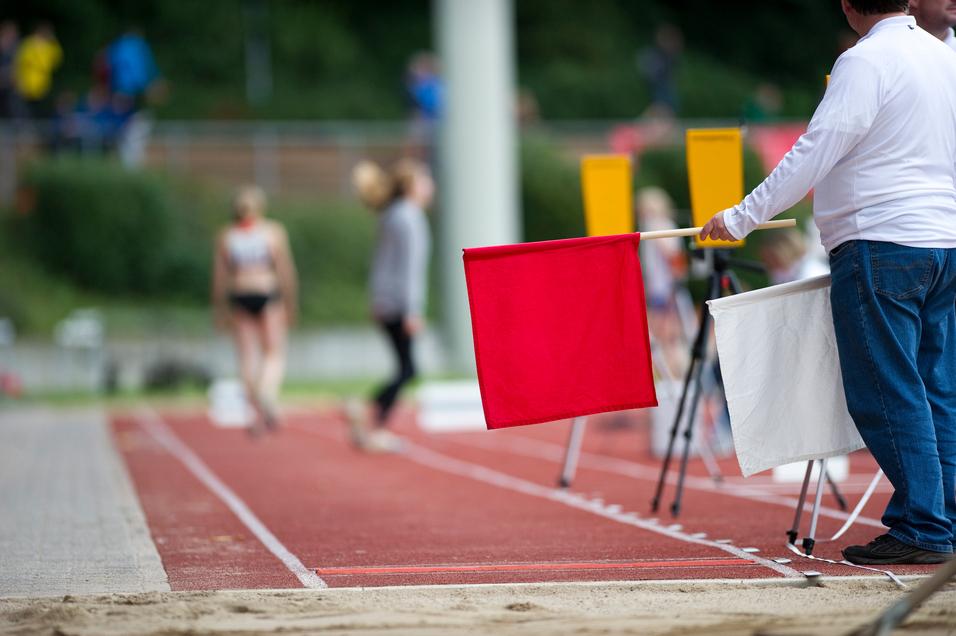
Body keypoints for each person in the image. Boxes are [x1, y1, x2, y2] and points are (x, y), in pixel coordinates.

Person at [700, 0, 956, 565]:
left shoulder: (864, 62)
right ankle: (945, 521)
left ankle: (924, 528)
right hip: (944, 242)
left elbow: (814, 152)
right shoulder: (943, 59)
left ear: (847, 7)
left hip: (881, 243)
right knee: (937, 388)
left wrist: (741, 217)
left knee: (890, 390)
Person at [349, 158, 433, 452]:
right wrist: (413, 309)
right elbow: (410, 268)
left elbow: (382, 263)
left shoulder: (392, 214)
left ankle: (373, 419)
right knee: (407, 369)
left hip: (386, 299)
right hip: (398, 303)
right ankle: (373, 418)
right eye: (425, 180)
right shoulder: (409, 216)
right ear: (412, 186)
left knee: (405, 367)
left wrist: (377, 298)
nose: (430, 186)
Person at [212, 185, 298, 436]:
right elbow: (285, 270)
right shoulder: (272, 231)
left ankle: (255, 412)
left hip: (240, 293)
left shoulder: (227, 235)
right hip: (266, 293)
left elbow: (219, 277)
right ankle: (267, 392)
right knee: (274, 352)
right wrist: (291, 301)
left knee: (247, 356)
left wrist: (219, 308)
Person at [13, 23, 61, 117]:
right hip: (27, 82)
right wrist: (19, 80)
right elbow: (20, 63)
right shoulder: (28, 44)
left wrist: (54, 42)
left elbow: (57, 61)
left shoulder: (49, 46)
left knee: (39, 109)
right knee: (24, 108)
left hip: (43, 83)